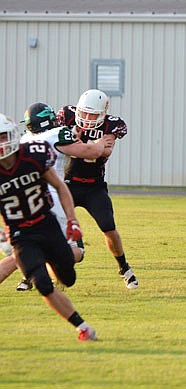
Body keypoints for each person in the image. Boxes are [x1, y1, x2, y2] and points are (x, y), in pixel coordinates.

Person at [0, 113, 97, 340]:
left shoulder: (32, 155)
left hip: (47, 225)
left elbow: (60, 187)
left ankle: (43, 258)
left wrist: (72, 220)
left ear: (13, 134)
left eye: (4, 136)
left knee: (68, 278)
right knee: (43, 284)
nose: (3, 143)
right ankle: (82, 327)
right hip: (20, 235)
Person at [13, 102, 110, 291]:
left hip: (29, 199)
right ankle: (39, 263)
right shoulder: (57, 134)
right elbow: (90, 152)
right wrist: (100, 144)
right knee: (76, 251)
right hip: (53, 199)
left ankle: (29, 276)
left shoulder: (25, 139)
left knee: (30, 242)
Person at [56, 89, 138, 290]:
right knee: (51, 226)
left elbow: (105, 151)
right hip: (67, 184)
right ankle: (33, 272)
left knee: (109, 227)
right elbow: (67, 146)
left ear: (102, 113)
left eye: (92, 114)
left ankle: (124, 267)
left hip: (94, 186)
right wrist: (94, 145)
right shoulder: (66, 115)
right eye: (84, 113)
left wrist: (84, 145)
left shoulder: (113, 125)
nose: (86, 118)